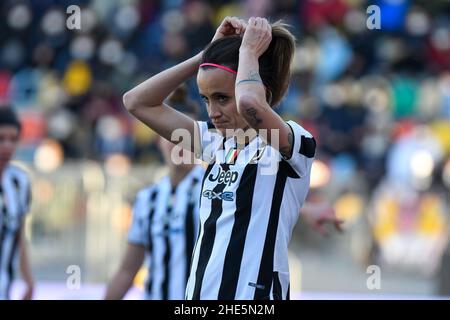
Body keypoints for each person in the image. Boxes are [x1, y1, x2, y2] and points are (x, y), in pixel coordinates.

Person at [122, 16, 318, 300]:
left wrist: (248, 53)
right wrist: (204, 56)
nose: (212, 111)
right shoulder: (215, 142)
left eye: (222, 98)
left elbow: (250, 102)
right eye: (206, 99)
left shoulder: (289, 144)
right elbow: (136, 101)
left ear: (262, 89)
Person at [105, 86, 205, 300]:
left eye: (186, 136)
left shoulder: (214, 192)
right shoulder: (147, 198)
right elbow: (127, 271)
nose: (178, 143)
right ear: (159, 139)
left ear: (201, 142)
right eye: (171, 135)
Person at [0, 107, 34, 300]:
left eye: (13, 139)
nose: (7, 146)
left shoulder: (20, 182)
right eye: (1, 138)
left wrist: (28, 279)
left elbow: (19, 234)